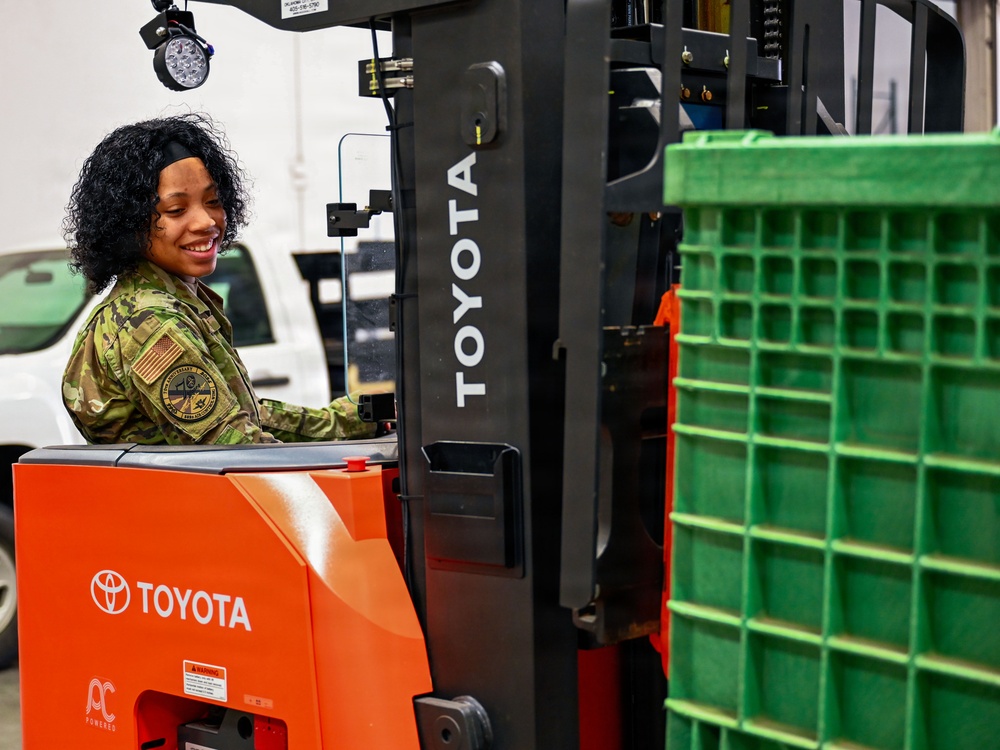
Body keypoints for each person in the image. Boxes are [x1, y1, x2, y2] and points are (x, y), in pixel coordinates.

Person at [62, 112, 376, 445]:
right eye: (176, 210)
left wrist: (344, 422)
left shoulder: (174, 301)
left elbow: (238, 413)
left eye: (212, 202)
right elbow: (232, 445)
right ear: (128, 224)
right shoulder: (150, 321)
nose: (206, 222)